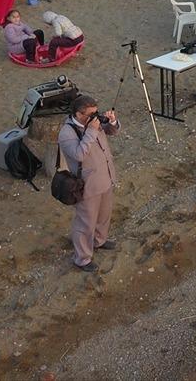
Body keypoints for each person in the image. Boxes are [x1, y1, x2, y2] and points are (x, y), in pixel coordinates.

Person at [58, 94, 119, 272]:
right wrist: (92, 130)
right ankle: (82, 259)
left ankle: (99, 241)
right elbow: (79, 155)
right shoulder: (67, 133)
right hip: (87, 185)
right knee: (85, 222)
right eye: (91, 114)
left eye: (96, 113)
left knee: (104, 215)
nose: (95, 117)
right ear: (78, 114)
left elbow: (112, 131)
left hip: (106, 177)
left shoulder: (93, 123)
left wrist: (112, 121)